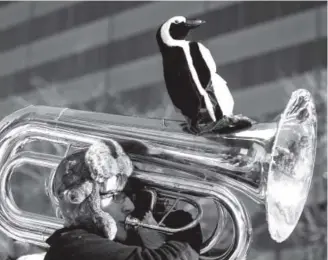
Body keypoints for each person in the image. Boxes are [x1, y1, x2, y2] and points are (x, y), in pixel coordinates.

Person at [42, 140, 203, 260]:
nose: (130, 206)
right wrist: (181, 236)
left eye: (127, 196)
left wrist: (164, 232)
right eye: (115, 196)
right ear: (82, 201)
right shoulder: (71, 247)